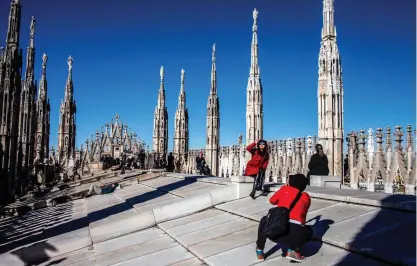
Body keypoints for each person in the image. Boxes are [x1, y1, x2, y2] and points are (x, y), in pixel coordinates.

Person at [256, 174, 312, 263]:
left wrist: (284, 189)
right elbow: (302, 217)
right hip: (296, 237)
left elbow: (272, 201)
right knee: (308, 230)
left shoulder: (285, 189)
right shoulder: (306, 197)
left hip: (275, 233)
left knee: (264, 220)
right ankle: (293, 250)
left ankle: (260, 250)